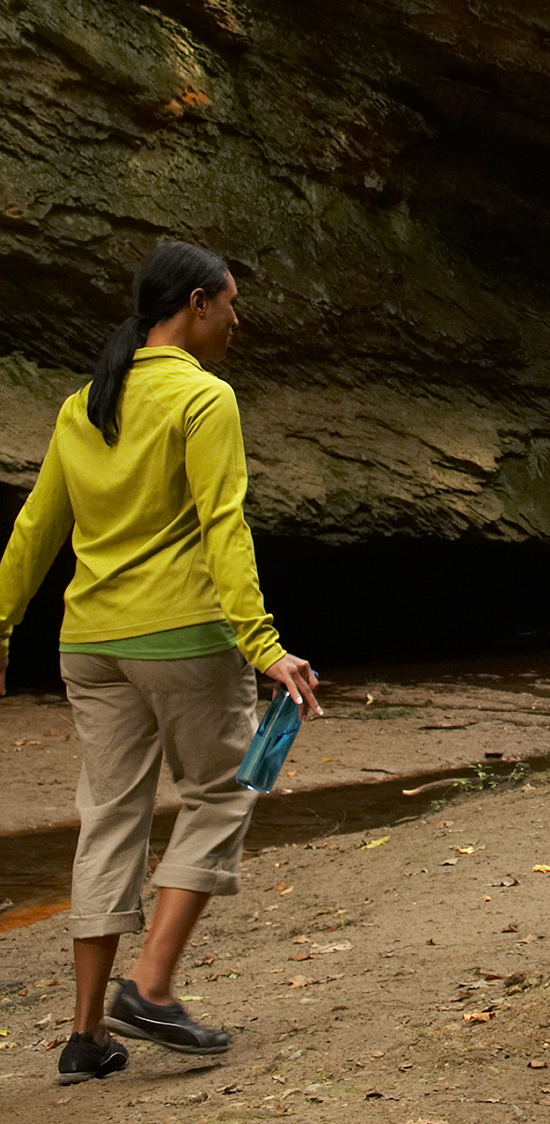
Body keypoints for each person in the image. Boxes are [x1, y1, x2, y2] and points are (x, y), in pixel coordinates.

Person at [0, 240, 321, 1085]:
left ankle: (85, 1035)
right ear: (196, 304)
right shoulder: (204, 398)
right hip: (182, 636)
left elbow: (38, 529)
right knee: (226, 789)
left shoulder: (85, 403)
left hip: (90, 643)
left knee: (108, 816)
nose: (237, 320)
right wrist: (263, 644)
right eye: (230, 304)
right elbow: (226, 526)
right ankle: (149, 986)